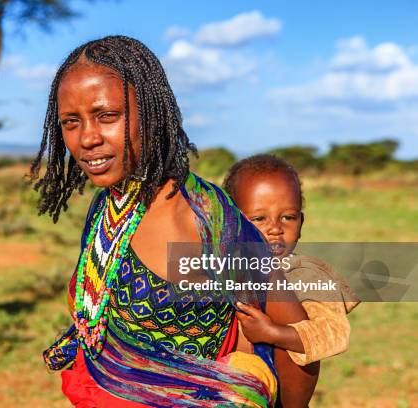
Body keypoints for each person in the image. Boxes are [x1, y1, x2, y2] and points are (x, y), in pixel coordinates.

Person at [30, 36, 318, 407]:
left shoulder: (207, 221)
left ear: (152, 114)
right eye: (71, 122)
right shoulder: (110, 205)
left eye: (107, 116)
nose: (87, 138)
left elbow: (299, 339)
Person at [222, 154, 360, 366]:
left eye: (288, 217)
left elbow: (334, 335)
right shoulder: (223, 269)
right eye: (259, 219)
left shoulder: (307, 274)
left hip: (278, 395)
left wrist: (273, 333)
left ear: (301, 223)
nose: (276, 229)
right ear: (230, 224)